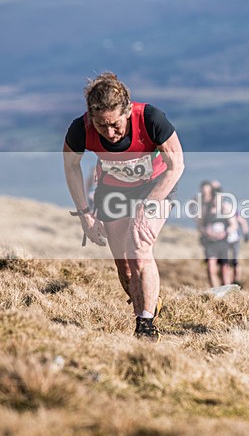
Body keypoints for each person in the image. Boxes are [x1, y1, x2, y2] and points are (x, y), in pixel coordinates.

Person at [63, 72, 184, 341]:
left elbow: (177, 165)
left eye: (115, 124)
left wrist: (148, 206)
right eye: (101, 126)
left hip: (156, 185)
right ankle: (149, 302)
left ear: (127, 110)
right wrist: (85, 214)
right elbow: (71, 167)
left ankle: (146, 324)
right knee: (125, 266)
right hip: (113, 189)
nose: (109, 133)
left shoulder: (151, 118)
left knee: (140, 246)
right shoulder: (80, 129)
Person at [198, 183, 237, 287]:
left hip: (223, 242)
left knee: (225, 269)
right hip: (210, 243)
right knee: (211, 268)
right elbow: (200, 225)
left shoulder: (225, 209)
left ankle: (227, 291)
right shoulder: (205, 209)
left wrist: (225, 232)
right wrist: (206, 231)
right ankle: (215, 292)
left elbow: (234, 225)